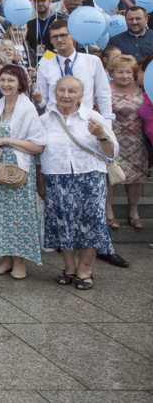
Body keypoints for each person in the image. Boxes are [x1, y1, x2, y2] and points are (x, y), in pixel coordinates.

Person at [39, 75, 118, 290]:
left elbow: (112, 153)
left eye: (72, 91)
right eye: (61, 90)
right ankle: (69, 267)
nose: (66, 95)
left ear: (81, 95)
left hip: (89, 177)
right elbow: (38, 152)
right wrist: (40, 179)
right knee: (63, 222)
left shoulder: (92, 117)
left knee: (90, 222)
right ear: (54, 93)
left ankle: (85, 269)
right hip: (56, 177)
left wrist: (102, 135)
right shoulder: (46, 119)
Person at [0, 64, 47, 279]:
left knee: (19, 217)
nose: (6, 84)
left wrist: (7, 141)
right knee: (0, 216)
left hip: (18, 169)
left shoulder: (28, 108)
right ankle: (5, 259)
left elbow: (38, 145)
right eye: (3, 80)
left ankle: (20, 262)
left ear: (20, 84)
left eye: (11, 80)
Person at [33, 19, 113, 120]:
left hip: (84, 120)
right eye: (55, 37)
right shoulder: (45, 66)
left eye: (63, 35)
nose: (59, 39)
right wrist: (39, 100)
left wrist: (107, 121)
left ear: (73, 36)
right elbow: (42, 102)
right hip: (55, 122)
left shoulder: (92, 61)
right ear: (51, 40)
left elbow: (103, 94)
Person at [107, 55, 146, 230]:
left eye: (128, 72)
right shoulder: (105, 89)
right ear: (112, 72)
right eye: (120, 71)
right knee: (110, 177)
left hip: (137, 141)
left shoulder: (141, 89)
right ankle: (108, 212)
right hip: (113, 140)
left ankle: (133, 212)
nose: (124, 75)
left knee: (135, 179)